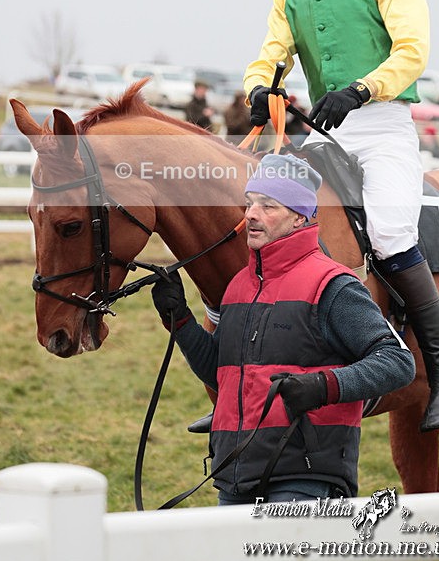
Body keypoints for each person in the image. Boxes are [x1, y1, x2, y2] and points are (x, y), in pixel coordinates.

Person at [243, 0, 439, 432]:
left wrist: (362, 90)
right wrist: (257, 87)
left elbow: (412, 49)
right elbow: (271, 53)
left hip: (383, 124)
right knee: (260, 221)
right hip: (324, 133)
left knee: (390, 232)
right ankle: (240, 376)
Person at [152, 154, 415, 505]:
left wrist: (322, 386)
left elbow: (398, 362)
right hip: (233, 476)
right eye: (249, 203)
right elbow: (223, 374)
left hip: (303, 479)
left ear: (299, 217)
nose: (251, 215)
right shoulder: (239, 286)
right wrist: (180, 320)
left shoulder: (334, 284)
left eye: (268, 205)